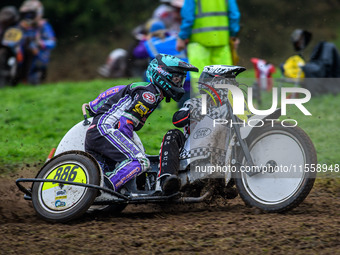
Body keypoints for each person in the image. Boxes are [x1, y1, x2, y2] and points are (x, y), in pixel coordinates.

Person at [85, 54, 198, 193]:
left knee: (105, 172)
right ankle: (105, 190)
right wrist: (129, 147)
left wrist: (92, 105)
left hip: (97, 132)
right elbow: (125, 123)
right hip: (105, 131)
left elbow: (116, 90)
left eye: (181, 79)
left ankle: (99, 191)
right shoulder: (149, 96)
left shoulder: (144, 88)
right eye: (176, 79)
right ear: (162, 75)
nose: (179, 84)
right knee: (139, 161)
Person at [176, 0, 241, 85]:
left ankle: (202, 98)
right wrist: (233, 35)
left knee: (200, 78)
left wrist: (182, 37)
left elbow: (188, 17)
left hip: (198, 43)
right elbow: (234, 15)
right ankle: (222, 98)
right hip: (222, 41)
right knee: (224, 78)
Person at [133, 19, 191, 106]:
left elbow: (137, 53)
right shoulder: (176, 39)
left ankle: (153, 103)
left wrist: (143, 40)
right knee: (185, 99)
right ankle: (185, 108)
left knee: (146, 74)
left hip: (163, 77)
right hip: (184, 76)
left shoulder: (150, 43)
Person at [18, 0, 56, 84]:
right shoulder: (19, 26)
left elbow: (52, 42)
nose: (28, 16)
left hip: (38, 57)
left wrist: (40, 43)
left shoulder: (43, 26)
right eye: (25, 14)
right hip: (19, 52)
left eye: (30, 14)